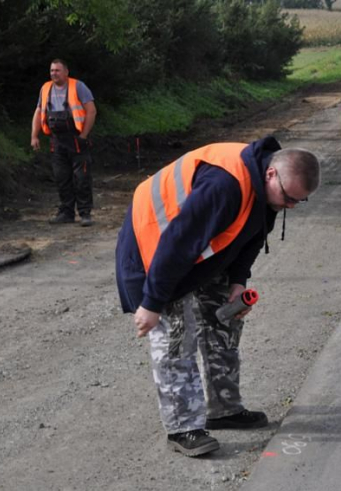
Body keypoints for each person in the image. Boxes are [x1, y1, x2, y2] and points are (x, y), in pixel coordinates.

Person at [115, 136, 321, 457]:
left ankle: (224, 408)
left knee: (225, 318)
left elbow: (253, 235)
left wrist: (238, 281)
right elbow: (177, 243)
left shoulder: (267, 188)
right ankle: (183, 428)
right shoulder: (224, 186)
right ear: (271, 175)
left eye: (298, 202)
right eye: (288, 199)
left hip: (199, 253)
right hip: (155, 248)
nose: (290, 207)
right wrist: (152, 302)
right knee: (176, 339)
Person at [31, 58, 97, 226]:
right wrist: (34, 135)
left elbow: (91, 111)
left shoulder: (78, 86)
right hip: (57, 141)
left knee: (81, 178)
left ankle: (85, 213)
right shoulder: (45, 88)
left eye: (57, 70)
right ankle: (66, 213)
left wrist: (84, 135)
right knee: (62, 177)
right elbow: (39, 112)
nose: (54, 73)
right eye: (52, 70)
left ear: (66, 72)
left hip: (77, 139)